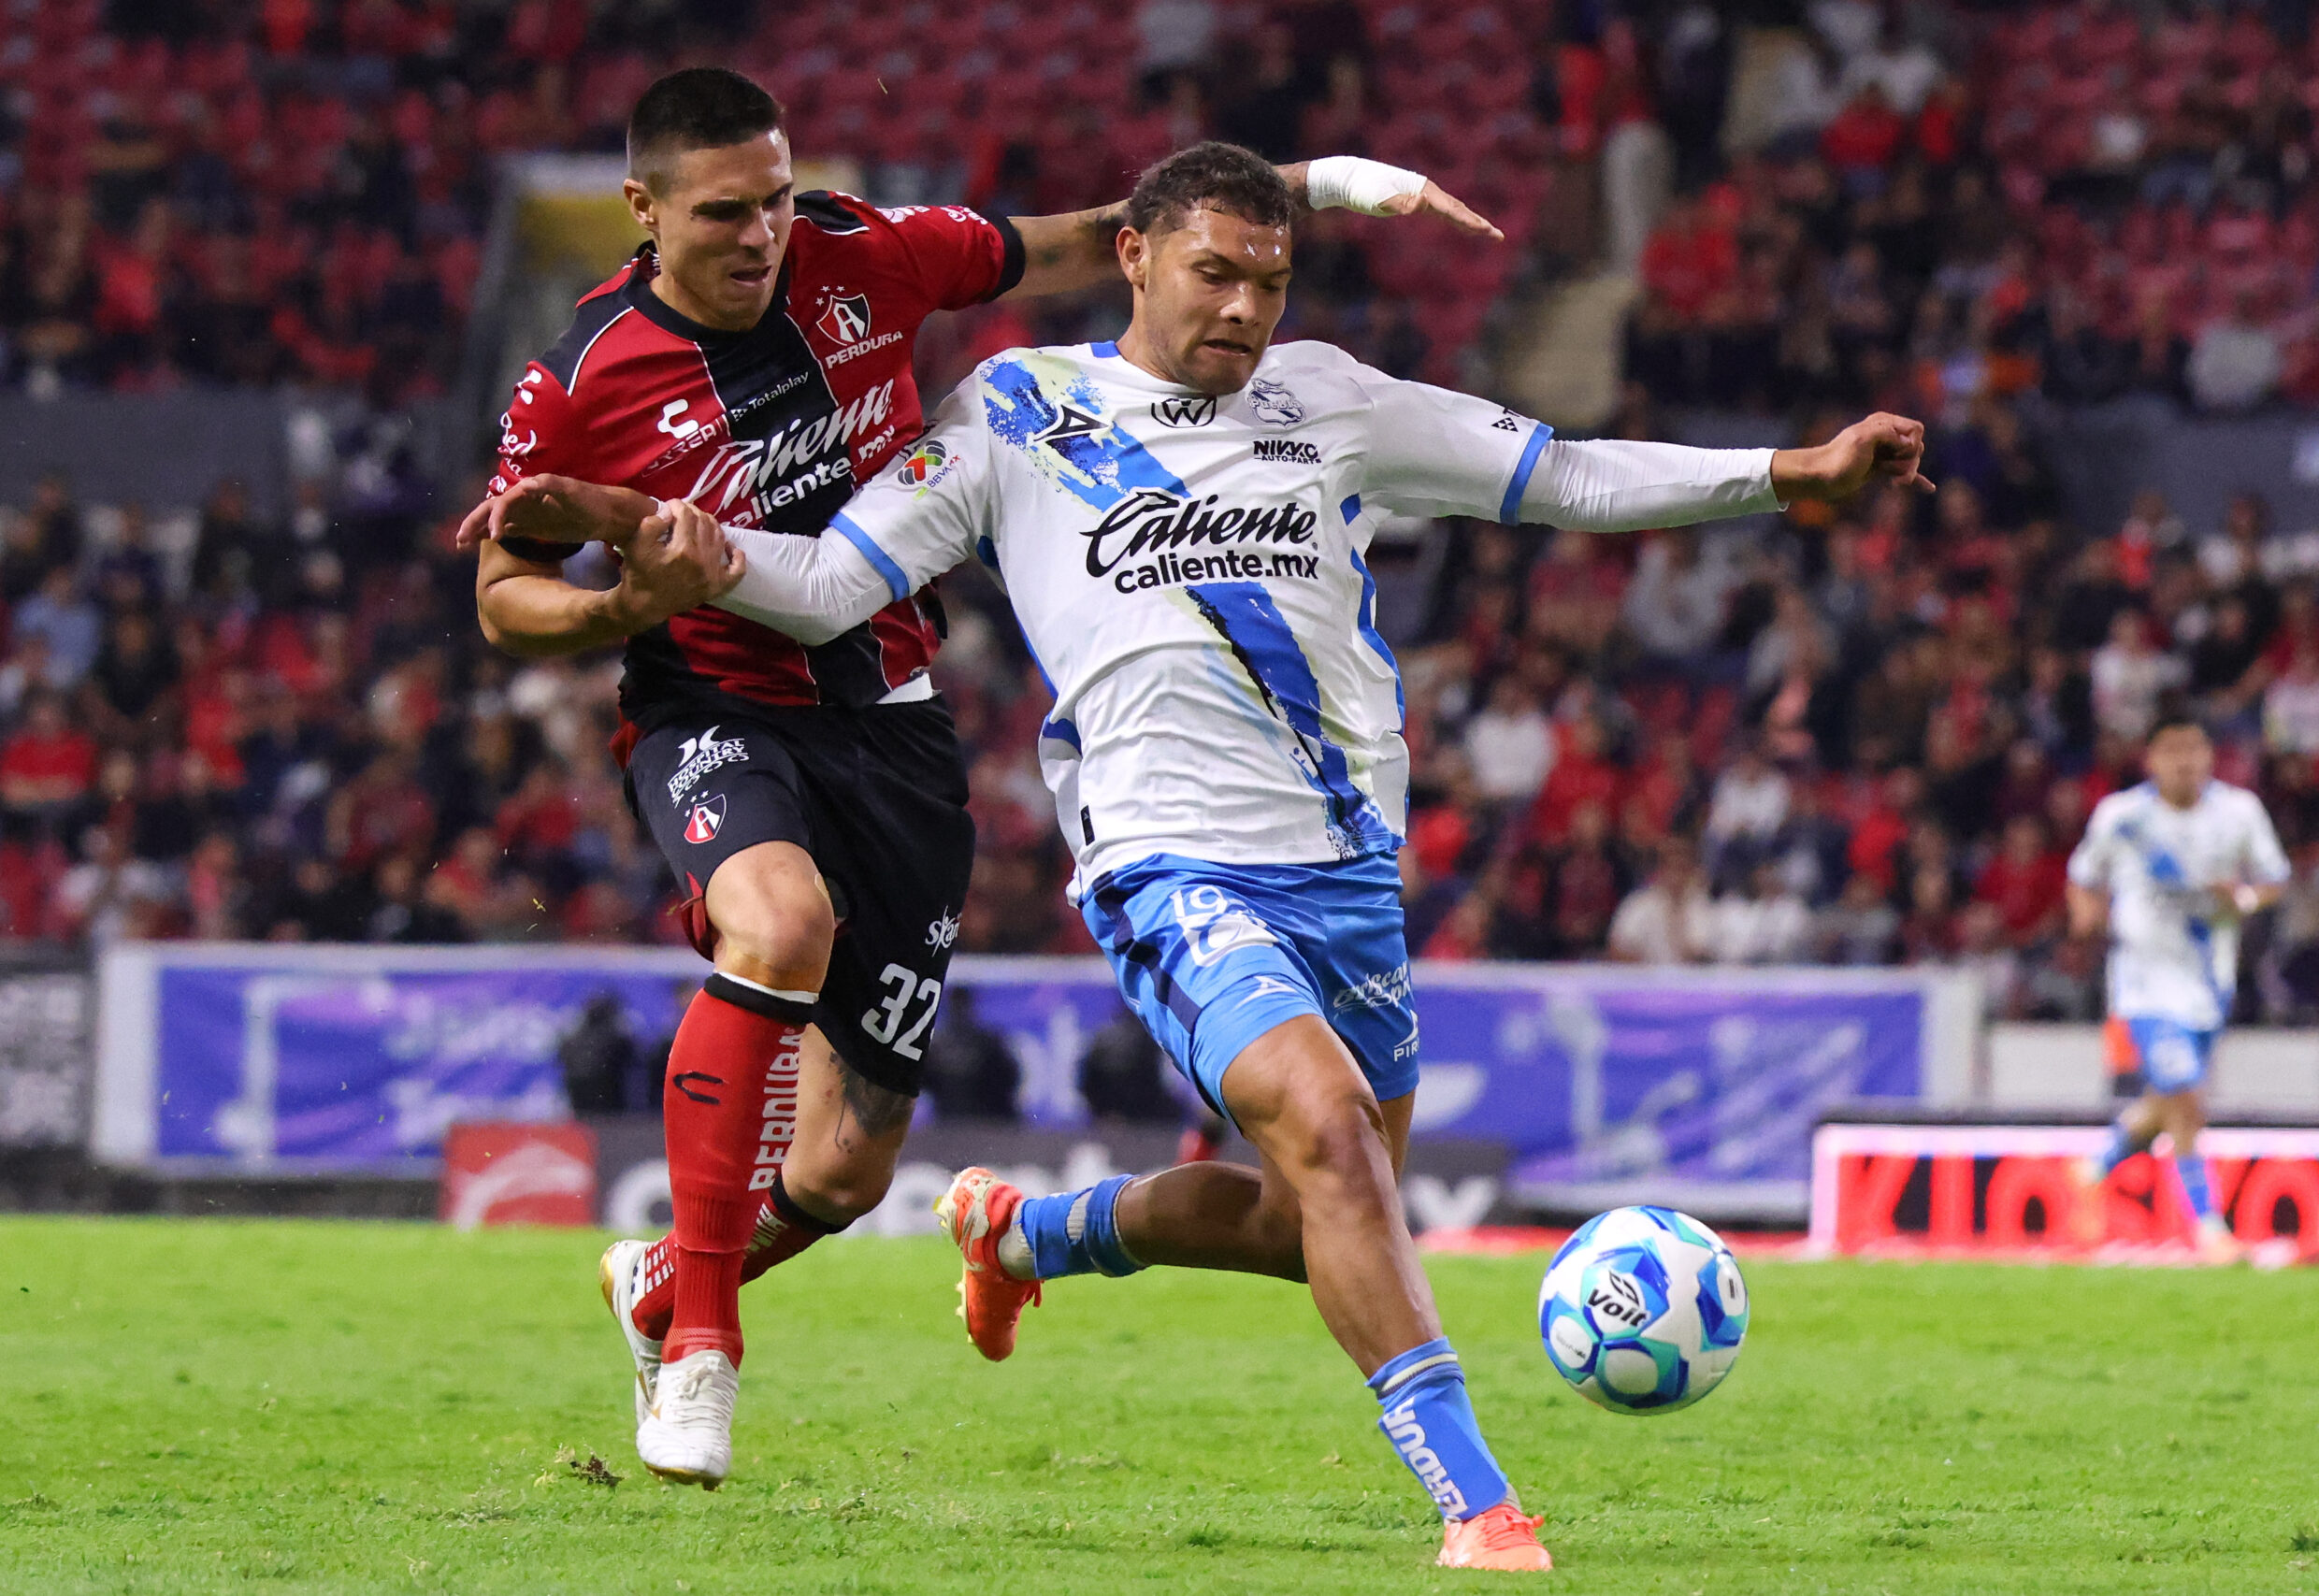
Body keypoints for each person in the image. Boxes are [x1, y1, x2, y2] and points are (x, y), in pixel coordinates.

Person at [511, 142, 1929, 1569]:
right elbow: (828, 584)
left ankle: (1028, 1230)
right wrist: (675, 542)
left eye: (1270, 278)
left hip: (1346, 868)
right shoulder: (1018, 410)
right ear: (1134, 257)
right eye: (1215, 273)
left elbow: (1560, 473)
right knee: (1327, 1127)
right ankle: (1481, 1505)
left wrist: (1789, 474)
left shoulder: (1331, 398)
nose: (1244, 307)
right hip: (1166, 864)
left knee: (1308, 1211)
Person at [454, 69, 1497, 1488]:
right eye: (724, 212)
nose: (762, 233)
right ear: (642, 208)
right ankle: (700, 1345)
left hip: (889, 713)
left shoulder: (867, 255)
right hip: (712, 701)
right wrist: (614, 611)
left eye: (775, 199)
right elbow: (504, 593)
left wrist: (1311, 186)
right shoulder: (581, 376)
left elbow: (1092, 236)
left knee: (844, 1169)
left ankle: (663, 1276)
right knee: (779, 925)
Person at [2066, 716, 2289, 1259]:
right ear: (2151, 759)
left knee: (2170, 1102)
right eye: (2172, 750)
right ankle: (2210, 1229)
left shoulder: (2239, 812)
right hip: (2144, 984)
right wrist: (2084, 917)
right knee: (2185, 1096)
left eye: (2194, 748)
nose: (2184, 761)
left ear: (2210, 755)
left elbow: (2275, 879)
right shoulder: (2123, 817)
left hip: (2209, 981)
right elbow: (2083, 874)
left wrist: (2240, 899)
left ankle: (2093, 1167)